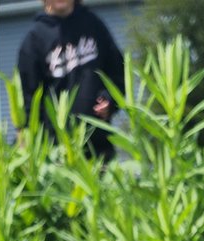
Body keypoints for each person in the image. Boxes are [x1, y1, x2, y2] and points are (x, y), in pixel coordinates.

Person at [17, 0, 124, 161]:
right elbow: (30, 100)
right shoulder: (34, 40)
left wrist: (110, 100)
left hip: (99, 147)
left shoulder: (93, 25)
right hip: (58, 153)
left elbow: (117, 72)